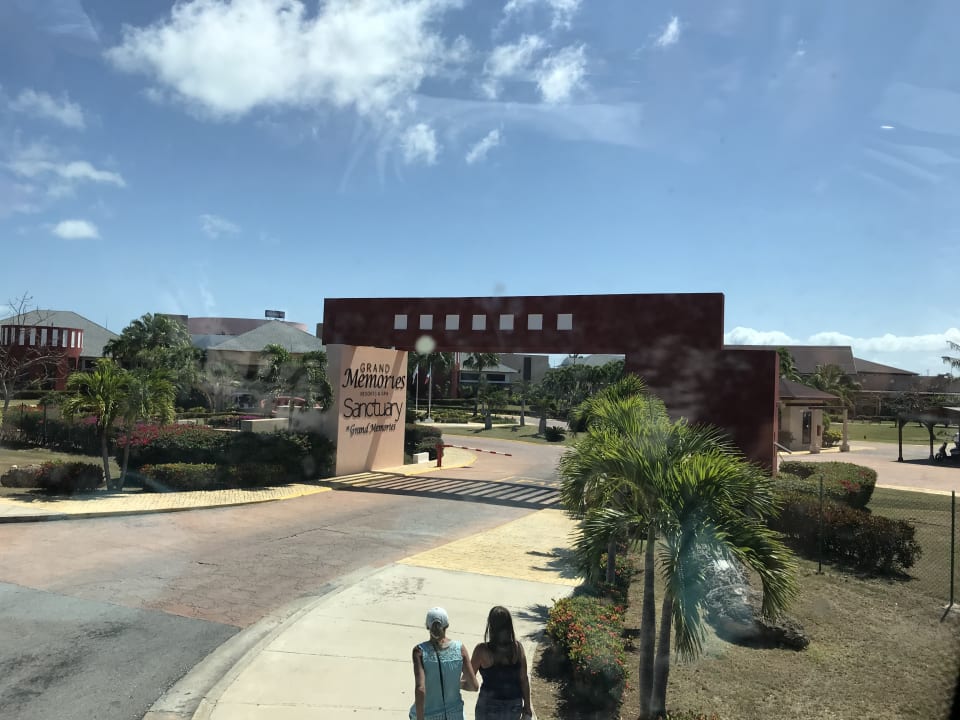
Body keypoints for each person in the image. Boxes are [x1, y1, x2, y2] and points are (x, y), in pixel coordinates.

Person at [411, 607, 478, 720]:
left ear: (427, 626)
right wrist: (455, 684)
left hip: (429, 715)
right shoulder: (459, 649)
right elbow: (474, 686)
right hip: (455, 715)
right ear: (447, 625)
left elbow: (420, 688)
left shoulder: (420, 651)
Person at [471, 606, 534, 720]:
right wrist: (527, 707)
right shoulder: (517, 648)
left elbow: (470, 678)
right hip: (514, 704)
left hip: (489, 704)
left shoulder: (482, 650)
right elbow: (524, 679)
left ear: (491, 626)